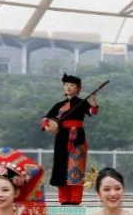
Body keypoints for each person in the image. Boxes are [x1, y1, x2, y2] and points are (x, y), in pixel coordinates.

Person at [40, 73, 98, 205]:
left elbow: (92, 113)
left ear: (78, 88)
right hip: (61, 138)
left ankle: (75, 199)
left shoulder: (83, 103)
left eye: (72, 85)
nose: (68, 87)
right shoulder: (59, 105)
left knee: (76, 167)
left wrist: (94, 104)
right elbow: (46, 118)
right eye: (66, 85)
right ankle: (64, 199)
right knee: (61, 167)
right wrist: (47, 126)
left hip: (77, 138)